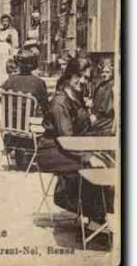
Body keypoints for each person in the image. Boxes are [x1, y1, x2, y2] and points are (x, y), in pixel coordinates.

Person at [37, 66, 108, 225]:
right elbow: (66, 138)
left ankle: (95, 214)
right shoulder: (60, 102)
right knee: (92, 165)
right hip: (52, 151)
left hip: (68, 147)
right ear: (69, 76)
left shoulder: (76, 97)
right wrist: (87, 155)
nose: (83, 81)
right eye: (79, 76)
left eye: (86, 77)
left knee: (104, 161)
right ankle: (88, 211)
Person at [89, 58, 115, 135]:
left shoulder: (111, 85)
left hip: (105, 120)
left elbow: (105, 107)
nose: (104, 74)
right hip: (97, 117)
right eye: (102, 72)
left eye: (107, 72)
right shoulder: (101, 84)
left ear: (112, 72)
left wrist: (96, 116)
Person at [0, 14, 19, 87]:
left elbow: (15, 43)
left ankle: (6, 83)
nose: (5, 23)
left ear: (9, 22)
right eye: (3, 21)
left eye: (7, 21)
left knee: (6, 67)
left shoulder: (13, 31)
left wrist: (13, 53)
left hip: (7, 51)